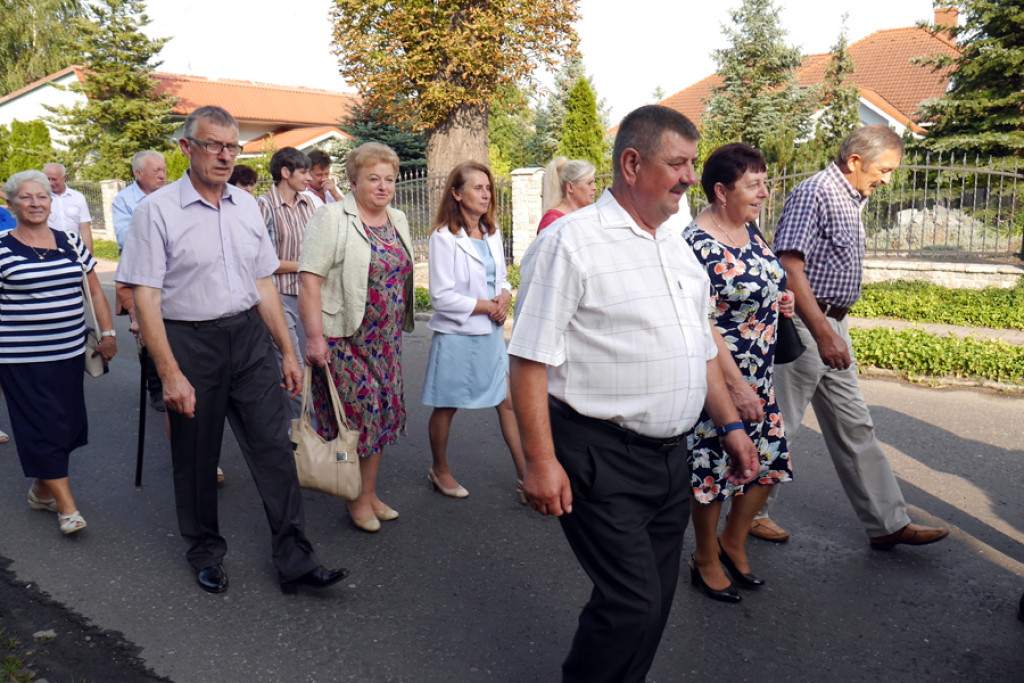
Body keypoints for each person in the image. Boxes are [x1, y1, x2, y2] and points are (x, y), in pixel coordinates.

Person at [508, 105, 758, 683]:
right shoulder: (571, 243)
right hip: (598, 455)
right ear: (630, 163)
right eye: (678, 164)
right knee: (632, 603)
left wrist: (731, 427)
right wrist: (540, 464)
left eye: (692, 164)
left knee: (655, 603)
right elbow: (527, 362)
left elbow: (698, 348)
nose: (691, 177)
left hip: (671, 458)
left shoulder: (674, 243)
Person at [116, 105, 347, 595]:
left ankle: (296, 561)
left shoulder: (245, 206)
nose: (225, 155)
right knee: (196, 457)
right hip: (189, 342)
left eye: (232, 146)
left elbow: (261, 280)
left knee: (274, 450)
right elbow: (146, 297)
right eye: (213, 145)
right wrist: (170, 373)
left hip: (248, 339)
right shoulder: (155, 213)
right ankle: (204, 551)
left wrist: (286, 350)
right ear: (187, 148)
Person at [765, 124, 948, 550]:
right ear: (855, 162)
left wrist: (834, 331)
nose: (887, 179)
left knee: (854, 423)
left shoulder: (852, 197)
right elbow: (790, 268)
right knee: (781, 426)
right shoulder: (816, 193)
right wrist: (824, 332)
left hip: (832, 327)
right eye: (883, 169)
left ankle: (888, 523)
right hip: (808, 327)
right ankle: (748, 516)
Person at [682, 143, 795, 603]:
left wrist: (780, 299)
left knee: (768, 466)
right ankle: (705, 556)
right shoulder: (694, 243)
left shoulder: (751, 231)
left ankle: (734, 539)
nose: (765, 192)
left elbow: (767, 279)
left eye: (765, 183)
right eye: (754, 185)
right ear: (721, 191)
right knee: (712, 473)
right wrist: (734, 386)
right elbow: (699, 319)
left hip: (760, 375)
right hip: (719, 379)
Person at [298, 142, 414, 533]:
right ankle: (355, 500)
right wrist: (314, 339)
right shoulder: (333, 218)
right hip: (344, 339)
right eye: (373, 179)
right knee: (359, 419)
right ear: (353, 181)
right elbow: (309, 281)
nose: (382, 187)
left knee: (381, 417)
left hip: (386, 342)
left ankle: (369, 492)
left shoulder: (397, 218)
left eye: (389, 180)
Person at [0, 170, 117, 534]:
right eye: (26, 197)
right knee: (42, 426)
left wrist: (109, 332)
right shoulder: (1, 246)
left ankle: (41, 490)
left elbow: (95, 291)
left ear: (52, 202)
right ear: (10, 203)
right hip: (20, 358)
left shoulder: (69, 241)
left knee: (67, 426)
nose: (36, 203)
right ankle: (67, 507)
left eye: (43, 197)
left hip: (68, 353)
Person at [421, 162, 526, 502]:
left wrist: (506, 297)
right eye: (477, 187)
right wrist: (487, 306)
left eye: (488, 187)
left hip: (491, 334)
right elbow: (441, 296)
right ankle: (440, 469)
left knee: (506, 402)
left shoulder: (491, 232)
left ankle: (527, 476)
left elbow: (502, 279)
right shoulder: (443, 238)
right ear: (457, 193)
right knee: (447, 405)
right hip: (457, 335)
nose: (486, 194)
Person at [258, 147, 318, 423]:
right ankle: (299, 436)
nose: (308, 177)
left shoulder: (308, 204)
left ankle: (309, 431)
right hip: (278, 297)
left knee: (312, 363)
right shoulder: (265, 205)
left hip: (309, 296)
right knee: (291, 363)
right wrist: (306, 265)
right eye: (303, 172)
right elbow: (261, 261)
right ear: (285, 172)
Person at [112, 150, 168, 412]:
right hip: (138, 276)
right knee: (145, 332)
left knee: (173, 329)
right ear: (138, 174)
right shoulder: (124, 200)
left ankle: (173, 380)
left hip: (170, 275)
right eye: (156, 170)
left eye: (164, 169)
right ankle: (155, 389)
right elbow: (125, 238)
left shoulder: (173, 196)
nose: (162, 174)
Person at [43, 163, 93, 253]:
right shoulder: (41, 198)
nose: (50, 183)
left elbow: (85, 229)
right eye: (47, 179)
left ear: (64, 178)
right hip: (49, 251)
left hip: (74, 250)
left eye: (54, 179)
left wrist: (90, 257)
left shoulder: (78, 198)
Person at [537, 157, 596, 232]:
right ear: (570, 187)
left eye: (594, 182)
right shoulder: (552, 222)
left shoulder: (587, 215)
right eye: (589, 183)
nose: (594, 188)